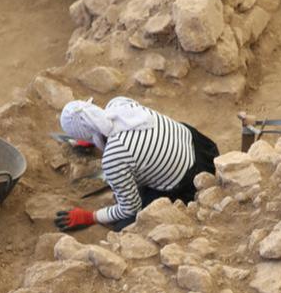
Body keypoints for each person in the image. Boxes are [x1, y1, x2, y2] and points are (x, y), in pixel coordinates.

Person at [55, 97, 219, 231]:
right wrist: (96, 137)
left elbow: (130, 208)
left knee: (124, 225)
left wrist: (91, 216)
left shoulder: (114, 157)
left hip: (191, 179)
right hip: (202, 147)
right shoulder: (119, 104)